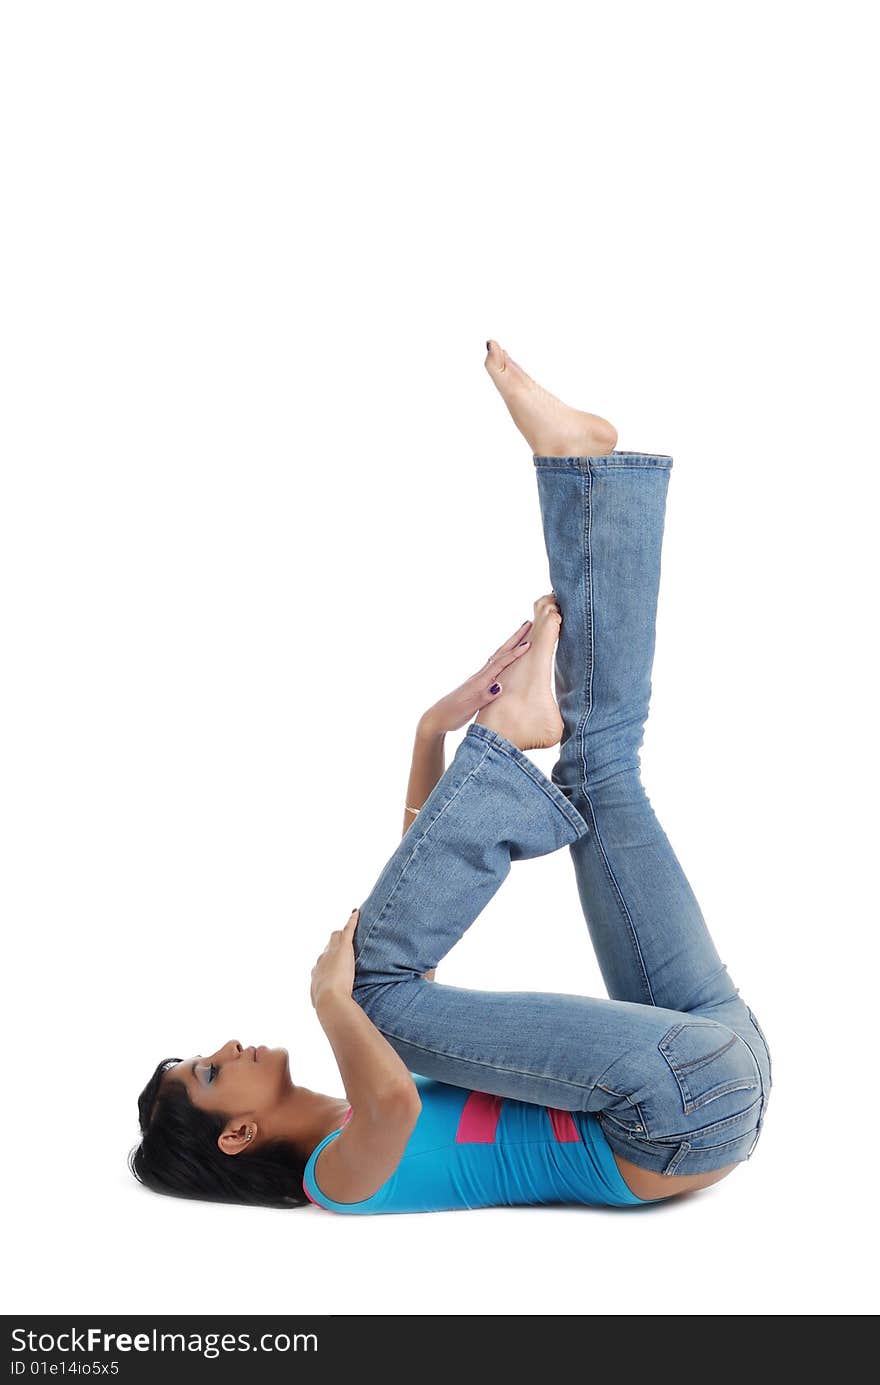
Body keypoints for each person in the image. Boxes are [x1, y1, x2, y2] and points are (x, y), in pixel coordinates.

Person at [130, 341, 772, 1214]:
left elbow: (417, 922)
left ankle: (587, 480)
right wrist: (330, 999)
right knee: (374, 988)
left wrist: (433, 728)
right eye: (210, 1071)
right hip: (673, 1113)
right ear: (236, 1135)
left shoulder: (379, 1069)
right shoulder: (333, 1177)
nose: (230, 1045)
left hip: (715, 1060)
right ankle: (509, 740)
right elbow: (392, 1097)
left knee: (603, 767)